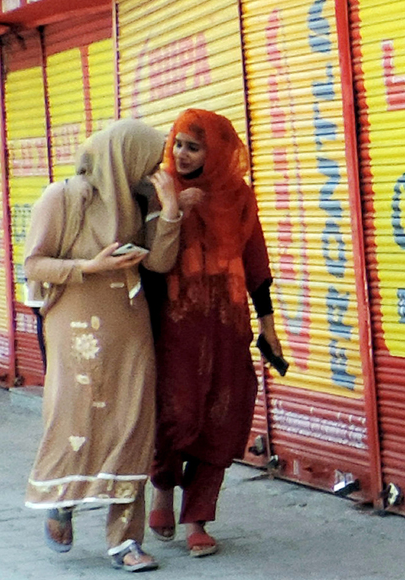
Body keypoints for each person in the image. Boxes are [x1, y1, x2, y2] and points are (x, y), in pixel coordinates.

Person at [23, 119, 183, 573]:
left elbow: (161, 263)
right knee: (74, 416)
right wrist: (89, 266)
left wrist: (171, 210)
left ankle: (125, 541)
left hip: (130, 324)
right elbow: (34, 264)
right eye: (146, 160)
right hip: (74, 323)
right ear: (121, 157)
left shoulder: (142, 198)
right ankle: (62, 500)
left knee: (133, 421)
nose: (153, 170)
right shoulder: (62, 197)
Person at [146, 109, 284, 558]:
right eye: (178, 144)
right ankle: (162, 489)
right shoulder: (159, 187)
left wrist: (267, 325)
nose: (182, 154)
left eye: (194, 147)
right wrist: (172, 209)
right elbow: (144, 253)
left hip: (227, 324)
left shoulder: (238, 195)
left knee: (221, 416)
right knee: (175, 411)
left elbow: (256, 261)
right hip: (174, 324)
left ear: (217, 152)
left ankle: (198, 519)